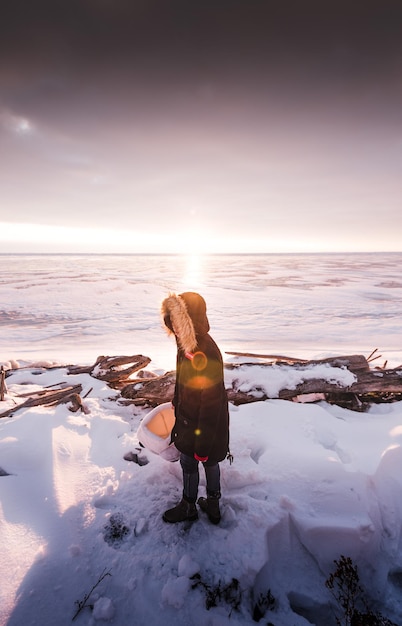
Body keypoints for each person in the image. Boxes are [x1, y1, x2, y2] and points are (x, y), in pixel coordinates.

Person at [161, 291, 230, 524]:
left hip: (203, 424)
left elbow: (210, 402)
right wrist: (177, 399)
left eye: (179, 324)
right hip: (191, 417)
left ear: (191, 321)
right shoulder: (186, 345)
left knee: (196, 461)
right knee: (206, 461)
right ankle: (210, 504)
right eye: (173, 324)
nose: (175, 330)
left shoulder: (204, 350)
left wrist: (202, 443)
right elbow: (185, 380)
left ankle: (194, 505)